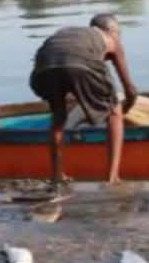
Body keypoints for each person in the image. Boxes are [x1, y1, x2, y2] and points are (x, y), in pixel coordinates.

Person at [29, 14, 138, 188]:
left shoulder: (72, 33)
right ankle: (112, 178)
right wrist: (127, 107)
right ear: (110, 31)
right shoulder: (111, 40)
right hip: (77, 63)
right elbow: (130, 90)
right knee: (114, 110)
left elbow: (62, 63)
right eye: (118, 33)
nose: (119, 37)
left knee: (58, 116)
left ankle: (57, 176)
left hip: (43, 67)